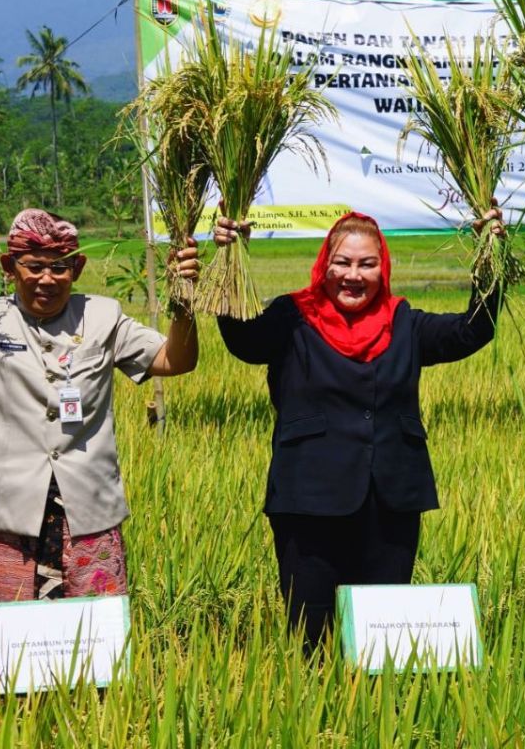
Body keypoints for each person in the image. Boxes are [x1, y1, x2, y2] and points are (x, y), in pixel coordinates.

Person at [213, 209, 503, 649]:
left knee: (380, 637)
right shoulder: (292, 318)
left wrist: (490, 255)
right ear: (324, 264)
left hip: (390, 502)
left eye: (366, 264)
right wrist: (231, 258)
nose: (353, 275)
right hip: (307, 502)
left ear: (382, 267)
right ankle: (316, 717)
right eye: (342, 263)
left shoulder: (403, 321)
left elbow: (472, 331)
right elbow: (245, 342)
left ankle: (378, 715)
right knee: (311, 635)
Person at [0, 209, 200, 612]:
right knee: (13, 639)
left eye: (60, 267)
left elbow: (175, 360)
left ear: (77, 267)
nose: (47, 279)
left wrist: (184, 300)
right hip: (6, 508)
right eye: (34, 267)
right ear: (9, 266)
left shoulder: (102, 317)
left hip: (87, 506)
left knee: (97, 636)